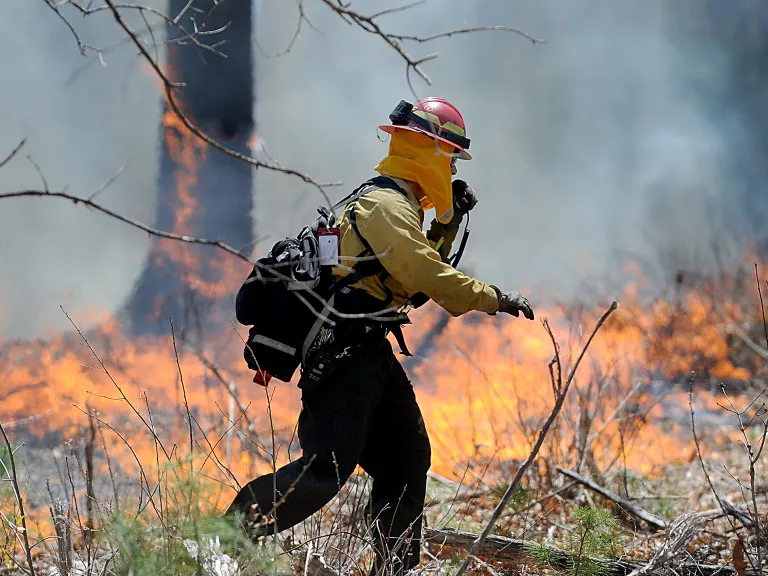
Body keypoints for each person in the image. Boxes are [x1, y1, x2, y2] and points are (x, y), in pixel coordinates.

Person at [225, 97, 534, 574]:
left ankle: (395, 569)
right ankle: (223, 540)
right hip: (344, 354)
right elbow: (428, 276)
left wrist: (447, 226)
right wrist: (495, 297)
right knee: (326, 470)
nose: (450, 169)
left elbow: (407, 286)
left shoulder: (397, 205)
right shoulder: (385, 205)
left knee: (406, 461)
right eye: (448, 157)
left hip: (369, 350)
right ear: (428, 151)